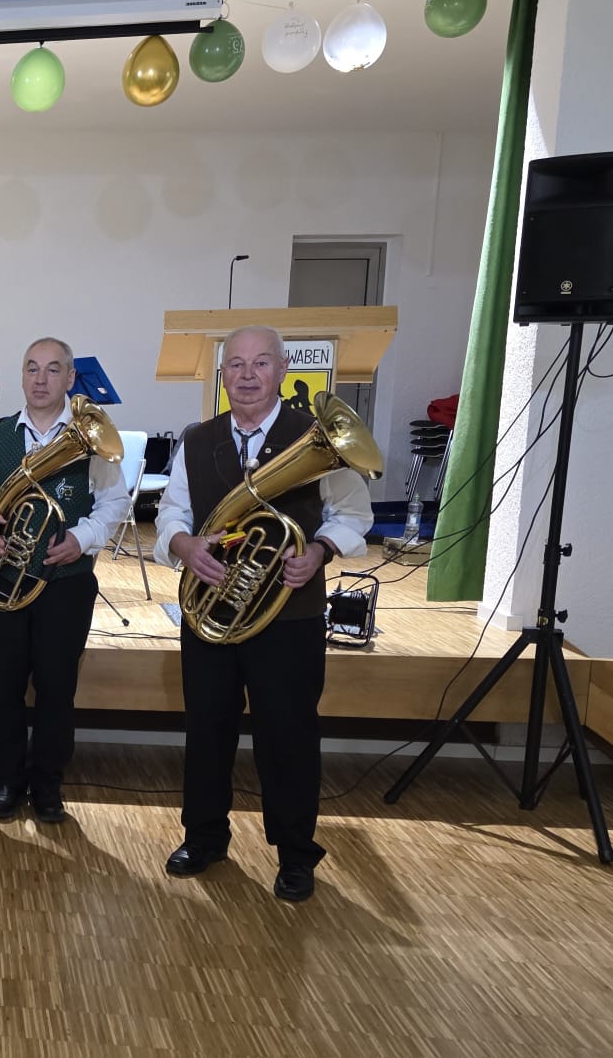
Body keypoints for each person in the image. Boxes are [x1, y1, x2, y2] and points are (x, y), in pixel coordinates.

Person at [155, 325, 373, 903]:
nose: (247, 375)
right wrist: (184, 545)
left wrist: (320, 551)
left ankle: (296, 854)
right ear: (223, 374)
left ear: (282, 370)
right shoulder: (198, 439)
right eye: (236, 364)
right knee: (207, 729)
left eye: (260, 363)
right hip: (212, 611)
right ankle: (204, 837)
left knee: (289, 735)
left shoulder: (317, 437)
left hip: (289, 616)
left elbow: (354, 514)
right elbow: (172, 511)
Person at [0, 337, 129, 825]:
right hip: (4, 582)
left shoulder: (91, 438)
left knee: (56, 687)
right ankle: (8, 779)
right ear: (22, 375)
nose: (41, 379)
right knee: (3, 685)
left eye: (53, 370)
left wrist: (82, 537)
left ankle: (48, 784)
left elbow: (115, 503)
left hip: (65, 582)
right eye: (32, 368)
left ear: (70, 378)